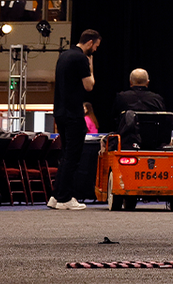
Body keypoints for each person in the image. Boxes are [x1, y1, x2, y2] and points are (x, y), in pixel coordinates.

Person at [49, 29, 101, 210]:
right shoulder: (80, 58)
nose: (95, 50)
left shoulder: (64, 56)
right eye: (95, 46)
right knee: (73, 156)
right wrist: (90, 66)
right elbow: (89, 86)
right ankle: (65, 198)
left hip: (60, 112)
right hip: (73, 114)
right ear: (90, 42)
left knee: (65, 155)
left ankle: (56, 196)